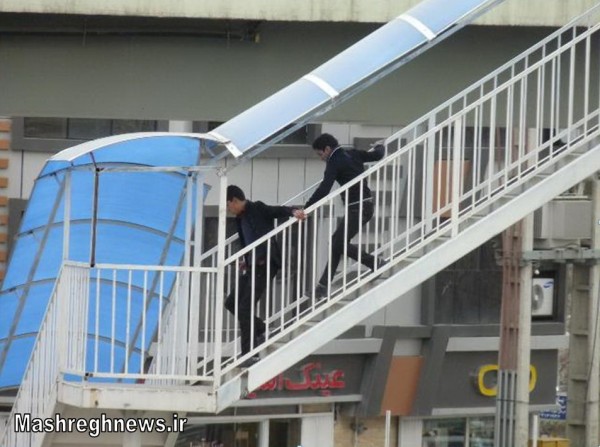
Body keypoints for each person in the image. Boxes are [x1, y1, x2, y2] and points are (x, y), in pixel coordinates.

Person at [225, 185, 305, 366]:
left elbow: (277, 211)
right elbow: (248, 242)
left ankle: (250, 355)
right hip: (252, 266)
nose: (228, 209)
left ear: (235, 201)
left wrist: (293, 211)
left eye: (228, 205)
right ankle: (261, 329)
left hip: (265, 264)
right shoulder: (240, 218)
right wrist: (247, 260)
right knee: (231, 303)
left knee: (244, 309)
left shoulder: (257, 208)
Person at [304, 133, 385, 297]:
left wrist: (306, 208)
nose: (321, 158)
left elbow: (324, 189)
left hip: (358, 208)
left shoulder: (334, 162)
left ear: (327, 149)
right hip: (364, 206)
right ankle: (322, 287)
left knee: (337, 243)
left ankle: (375, 262)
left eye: (320, 154)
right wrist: (379, 146)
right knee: (336, 242)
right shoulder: (352, 153)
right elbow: (377, 155)